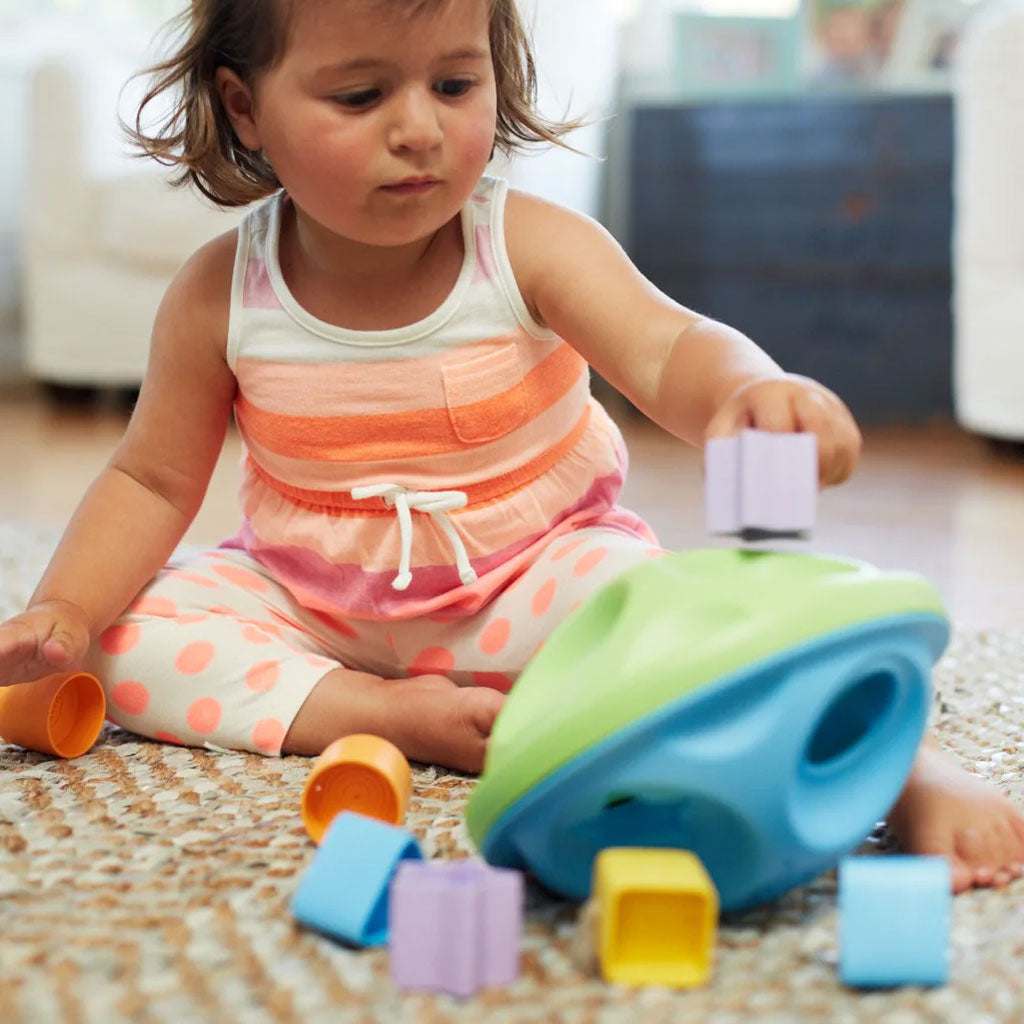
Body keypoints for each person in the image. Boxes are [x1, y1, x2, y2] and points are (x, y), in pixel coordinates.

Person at [0, 0, 1020, 892]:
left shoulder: (519, 243)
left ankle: (909, 768)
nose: (419, 130)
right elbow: (150, 475)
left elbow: (665, 348)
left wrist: (748, 390)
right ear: (244, 106)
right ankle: (373, 713)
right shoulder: (218, 292)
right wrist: (65, 609)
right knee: (128, 631)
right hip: (312, 606)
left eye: (455, 82)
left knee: (686, 637)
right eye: (359, 97)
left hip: (535, 583)